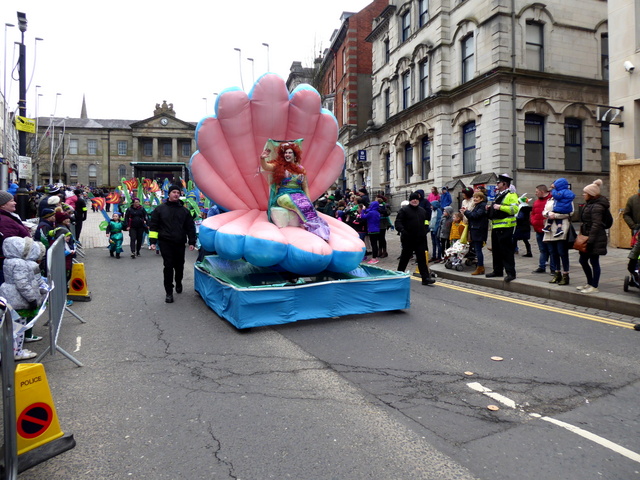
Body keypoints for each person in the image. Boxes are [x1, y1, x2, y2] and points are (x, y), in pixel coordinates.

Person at [260, 142, 330, 241]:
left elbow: (305, 187)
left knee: (307, 205)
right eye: (285, 153)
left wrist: (309, 200)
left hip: (299, 194)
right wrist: (262, 158)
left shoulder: (301, 169)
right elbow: (266, 167)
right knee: (299, 205)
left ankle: (319, 228)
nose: (287, 155)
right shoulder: (279, 166)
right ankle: (314, 229)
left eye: (290, 153)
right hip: (283, 195)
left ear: (294, 155)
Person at [0, 237, 48, 360]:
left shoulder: (8, 260)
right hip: (19, 300)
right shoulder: (20, 263)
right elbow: (22, 284)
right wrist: (32, 298)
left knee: (12, 328)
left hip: (9, 296)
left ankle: (12, 350)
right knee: (19, 329)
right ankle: (17, 352)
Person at [149, 184, 196, 303]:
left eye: (178, 193)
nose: (176, 194)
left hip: (179, 242)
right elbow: (153, 226)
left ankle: (178, 281)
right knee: (168, 266)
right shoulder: (160, 209)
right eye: (174, 192)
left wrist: (192, 241)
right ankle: (169, 292)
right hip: (165, 242)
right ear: (169, 194)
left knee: (179, 266)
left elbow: (190, 227)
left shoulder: (184, 211)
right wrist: (153, 242)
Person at [577, 179, 610, 294]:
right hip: (587, 236)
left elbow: (596, 224)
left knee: (594, 261)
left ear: (591, 195)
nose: (583, 195)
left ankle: (594, 286)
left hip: (595, 238)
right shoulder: (590, 204)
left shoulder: (597, 207)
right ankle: (589, 282)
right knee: (583, 260)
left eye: (585, 193)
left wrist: (590, 239)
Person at [395, 192, 435, 285]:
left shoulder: (422, 210)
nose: (415, 200)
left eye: (416, 199)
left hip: (420, 238)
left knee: (421, 259)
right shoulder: (404, 210)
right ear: (410, 200)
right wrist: (402, 230)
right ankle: (398, 275)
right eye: (413, 199)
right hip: (408, 238)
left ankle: (425, 278)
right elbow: (398, 222)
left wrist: (425, 229)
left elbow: (426, 221)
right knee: (405, 258)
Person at [486, 173, 519, 282]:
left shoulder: (511, 195)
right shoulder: (498, 194)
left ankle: (511, 273)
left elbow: (515, 209)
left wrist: (500, 207)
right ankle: (498, 271)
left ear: (504, 184)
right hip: (496, 226)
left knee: (506, 251)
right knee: (496, 250)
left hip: (506, 226)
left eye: (498, 182)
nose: (496, 184)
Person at [542, 182, 574, 286]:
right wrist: (547, 214)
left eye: (552, 188)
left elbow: (570, 213)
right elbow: (544, 211)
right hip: (550, 229)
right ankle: (557, 273)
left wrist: (555, 216)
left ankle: (566, 274)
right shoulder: (550, 200)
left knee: (562, 252)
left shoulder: (567, 198)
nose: (551, 191)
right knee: (553, 253)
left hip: (561, 228)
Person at [0, 190, 31, 284]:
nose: (15, 203)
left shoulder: (7, 217)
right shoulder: (4, 220)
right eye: (11, 201)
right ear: (3, 204)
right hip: (9, 263)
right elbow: (11, 243)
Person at [530, 184, 556, 274]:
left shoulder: (551, 201)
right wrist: (533, 222)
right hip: (538, 229)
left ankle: (553, 268)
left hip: (548, 230)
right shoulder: (536, 202)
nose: (535, 193)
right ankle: (542, 266)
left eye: (537, 192)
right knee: (542, 249)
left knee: (551, 250)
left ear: (542, 192)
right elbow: (532, 213)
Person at [462, 191, 489, 275]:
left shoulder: (482, 206)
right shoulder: (478, 205)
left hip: (479, 231)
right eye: (474, 197)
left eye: (477, 197)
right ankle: (480, 267)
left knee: (478, 250)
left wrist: (466, 212)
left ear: (481, 198)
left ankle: (480, 267)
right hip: (475, 230)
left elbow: (475, 216)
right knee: (477, 249)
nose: (475, 199)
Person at [623, 179, 640, 280]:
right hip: (636, 232)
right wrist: (633, 226)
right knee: (636, 254)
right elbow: (626, 214)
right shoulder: (633, 199)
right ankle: (634, 274)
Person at [360, 200, 381, 264]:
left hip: (372, 230)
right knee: (375, 244)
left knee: (373, 244)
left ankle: (374, 258)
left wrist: (363, 210)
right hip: (376, 229)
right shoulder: (377, 212)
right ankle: (375, 257)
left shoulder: (371, 213)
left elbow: (363, 216)